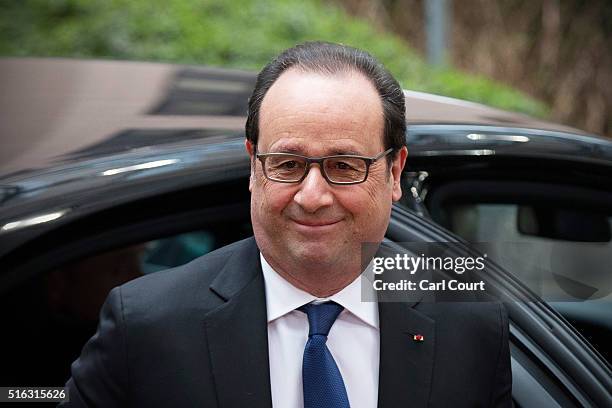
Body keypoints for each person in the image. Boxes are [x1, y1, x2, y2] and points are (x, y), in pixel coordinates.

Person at [62, 42, 512, 407]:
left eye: (344, 165)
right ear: (252, 167)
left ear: (395, 173)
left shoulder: (468, 312)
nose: (312, 196)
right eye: (288, 163)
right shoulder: (146, 323)